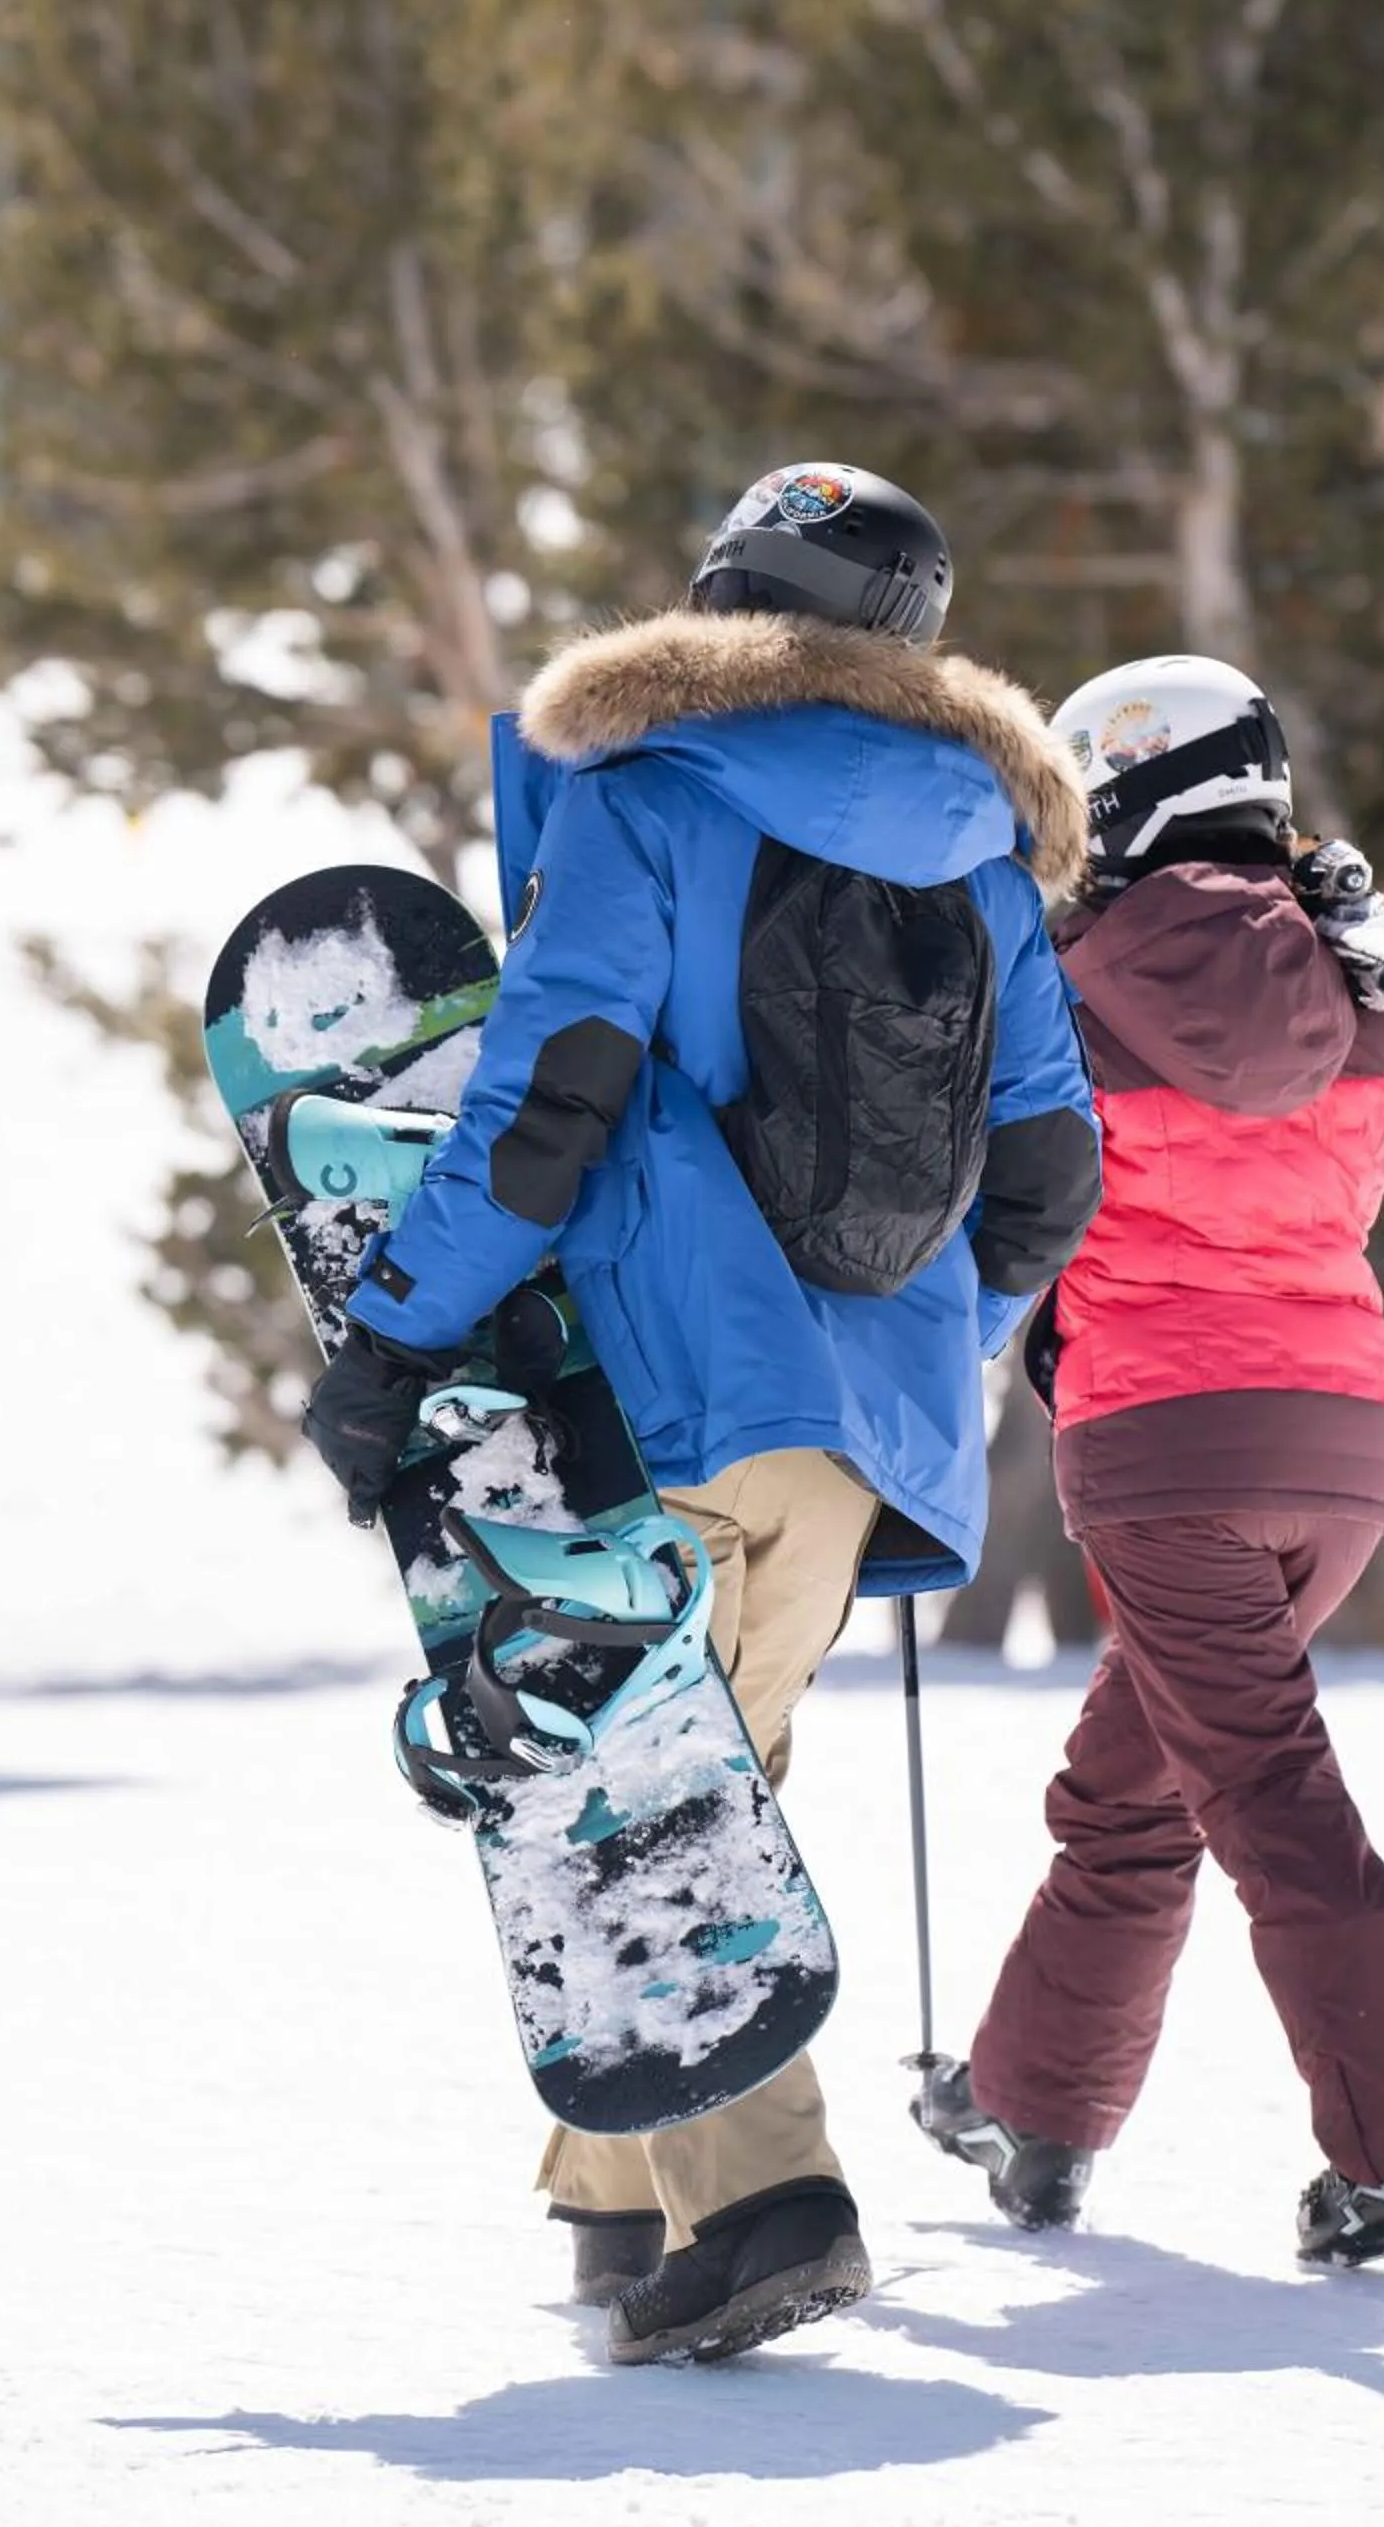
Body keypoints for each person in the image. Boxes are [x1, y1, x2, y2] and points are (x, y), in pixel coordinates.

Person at [301, 462, 1099, 2360]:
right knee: (697, 1779)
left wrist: (399, 1333)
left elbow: (552, 1096)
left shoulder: (649, 799)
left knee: (649, 1806)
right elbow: (1052, 1167)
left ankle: (767, 2211)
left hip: (661, 1401)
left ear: (725, 601)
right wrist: (928, 1344)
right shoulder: (988, 861)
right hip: (860, 1443)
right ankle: (614, 2199)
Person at [914, 653, 1384, 2268]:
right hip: (1343, 1455)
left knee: (1267, 1796)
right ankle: (1032, 2112)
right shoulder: (1373, 988)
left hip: (1167, 1446)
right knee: (1129, 1791)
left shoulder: (1065, 975)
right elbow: (1328, 1181)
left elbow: (1019, 1189)